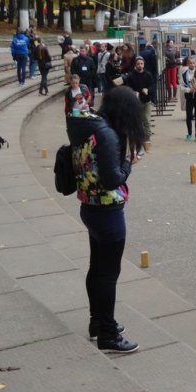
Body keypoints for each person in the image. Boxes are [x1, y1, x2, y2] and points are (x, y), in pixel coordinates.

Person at [66, 86, 146, 353]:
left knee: (97, 268)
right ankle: (108, 335)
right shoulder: (109, 135)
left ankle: (97, 322)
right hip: (107, 210)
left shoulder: (91, 126)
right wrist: (128, 164)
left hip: (89, 206)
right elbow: (112, 178)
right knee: (108, 274)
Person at [124, 56, 154, 144]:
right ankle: (139, 136)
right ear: (135, 65)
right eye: (138, 64)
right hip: (135, 102)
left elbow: (152, 86)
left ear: (144, 64)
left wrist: (148, 90)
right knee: (137, 120)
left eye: (141, 64)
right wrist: (133, 92)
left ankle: (147, 136)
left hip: (146, 100)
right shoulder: (131, 76)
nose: (140, 65)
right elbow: (127, 87)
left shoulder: (148, 75)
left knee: (146, 119)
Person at [179, 57, 196, 142]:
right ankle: (189, 134)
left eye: (193, 63)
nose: (192, 65)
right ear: (187, 64)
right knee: (188, 116)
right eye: (190, 63)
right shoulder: (184, 74)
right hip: (189, 97)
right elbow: (181, 85)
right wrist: (188, 90)